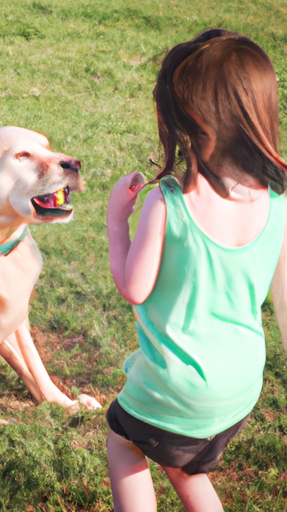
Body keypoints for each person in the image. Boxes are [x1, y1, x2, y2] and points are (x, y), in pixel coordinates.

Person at [106, 29, 287, 512]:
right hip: (241, 384)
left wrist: (115, 224)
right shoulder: (278, 201)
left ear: (188, 121)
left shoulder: (169, 204)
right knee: (186, 468)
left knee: (124, 441)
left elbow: (135, 288)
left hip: (176, 387)